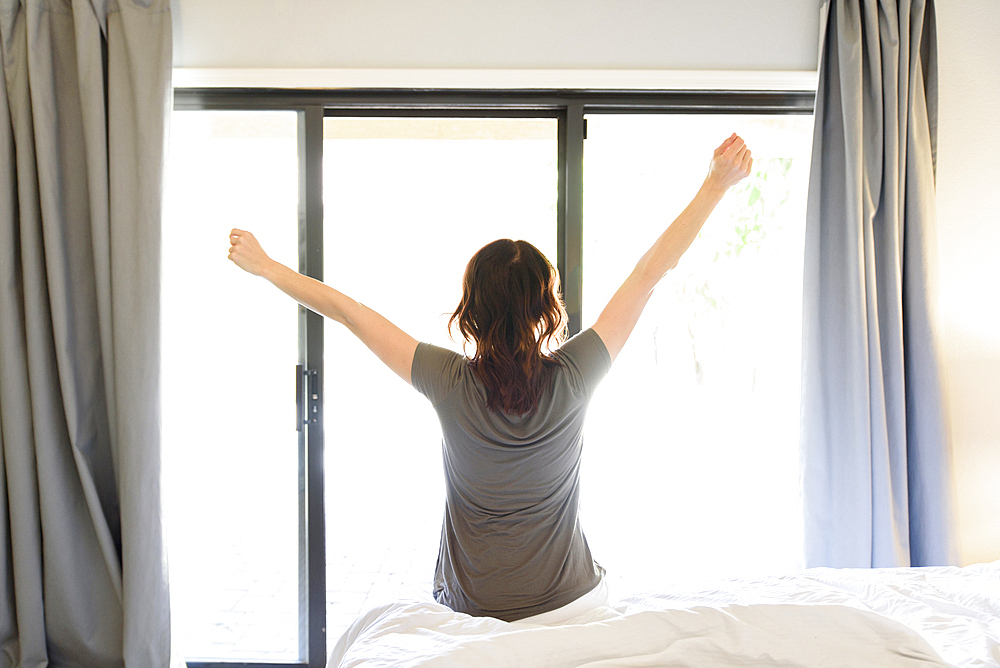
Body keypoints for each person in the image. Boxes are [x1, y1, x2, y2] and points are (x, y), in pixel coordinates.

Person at [228, 133, 752, 623]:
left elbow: (346, 311)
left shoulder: (446, 378)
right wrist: (714, 185)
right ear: (548, 307)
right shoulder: (577, 372)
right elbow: (649, 273)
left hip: (473, 609)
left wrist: (269, 267)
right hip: (571, 605)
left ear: (471, 307)